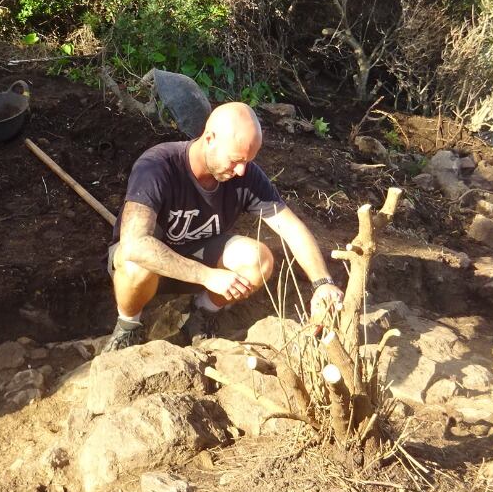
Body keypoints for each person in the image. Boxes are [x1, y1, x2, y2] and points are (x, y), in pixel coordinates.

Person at [104, 101, 344, 351]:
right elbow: (134, 245)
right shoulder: (158, 165)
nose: (241, 170)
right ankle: (128, 327)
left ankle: (201, 315)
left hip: (201, 259)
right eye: (235, 160)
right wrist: (207, 276)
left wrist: (322, 282)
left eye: (248, 161)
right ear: (209, 139)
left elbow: (292, 229)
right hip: (153, 267)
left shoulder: (246, 175)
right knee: (135, 264)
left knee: (258, 260)